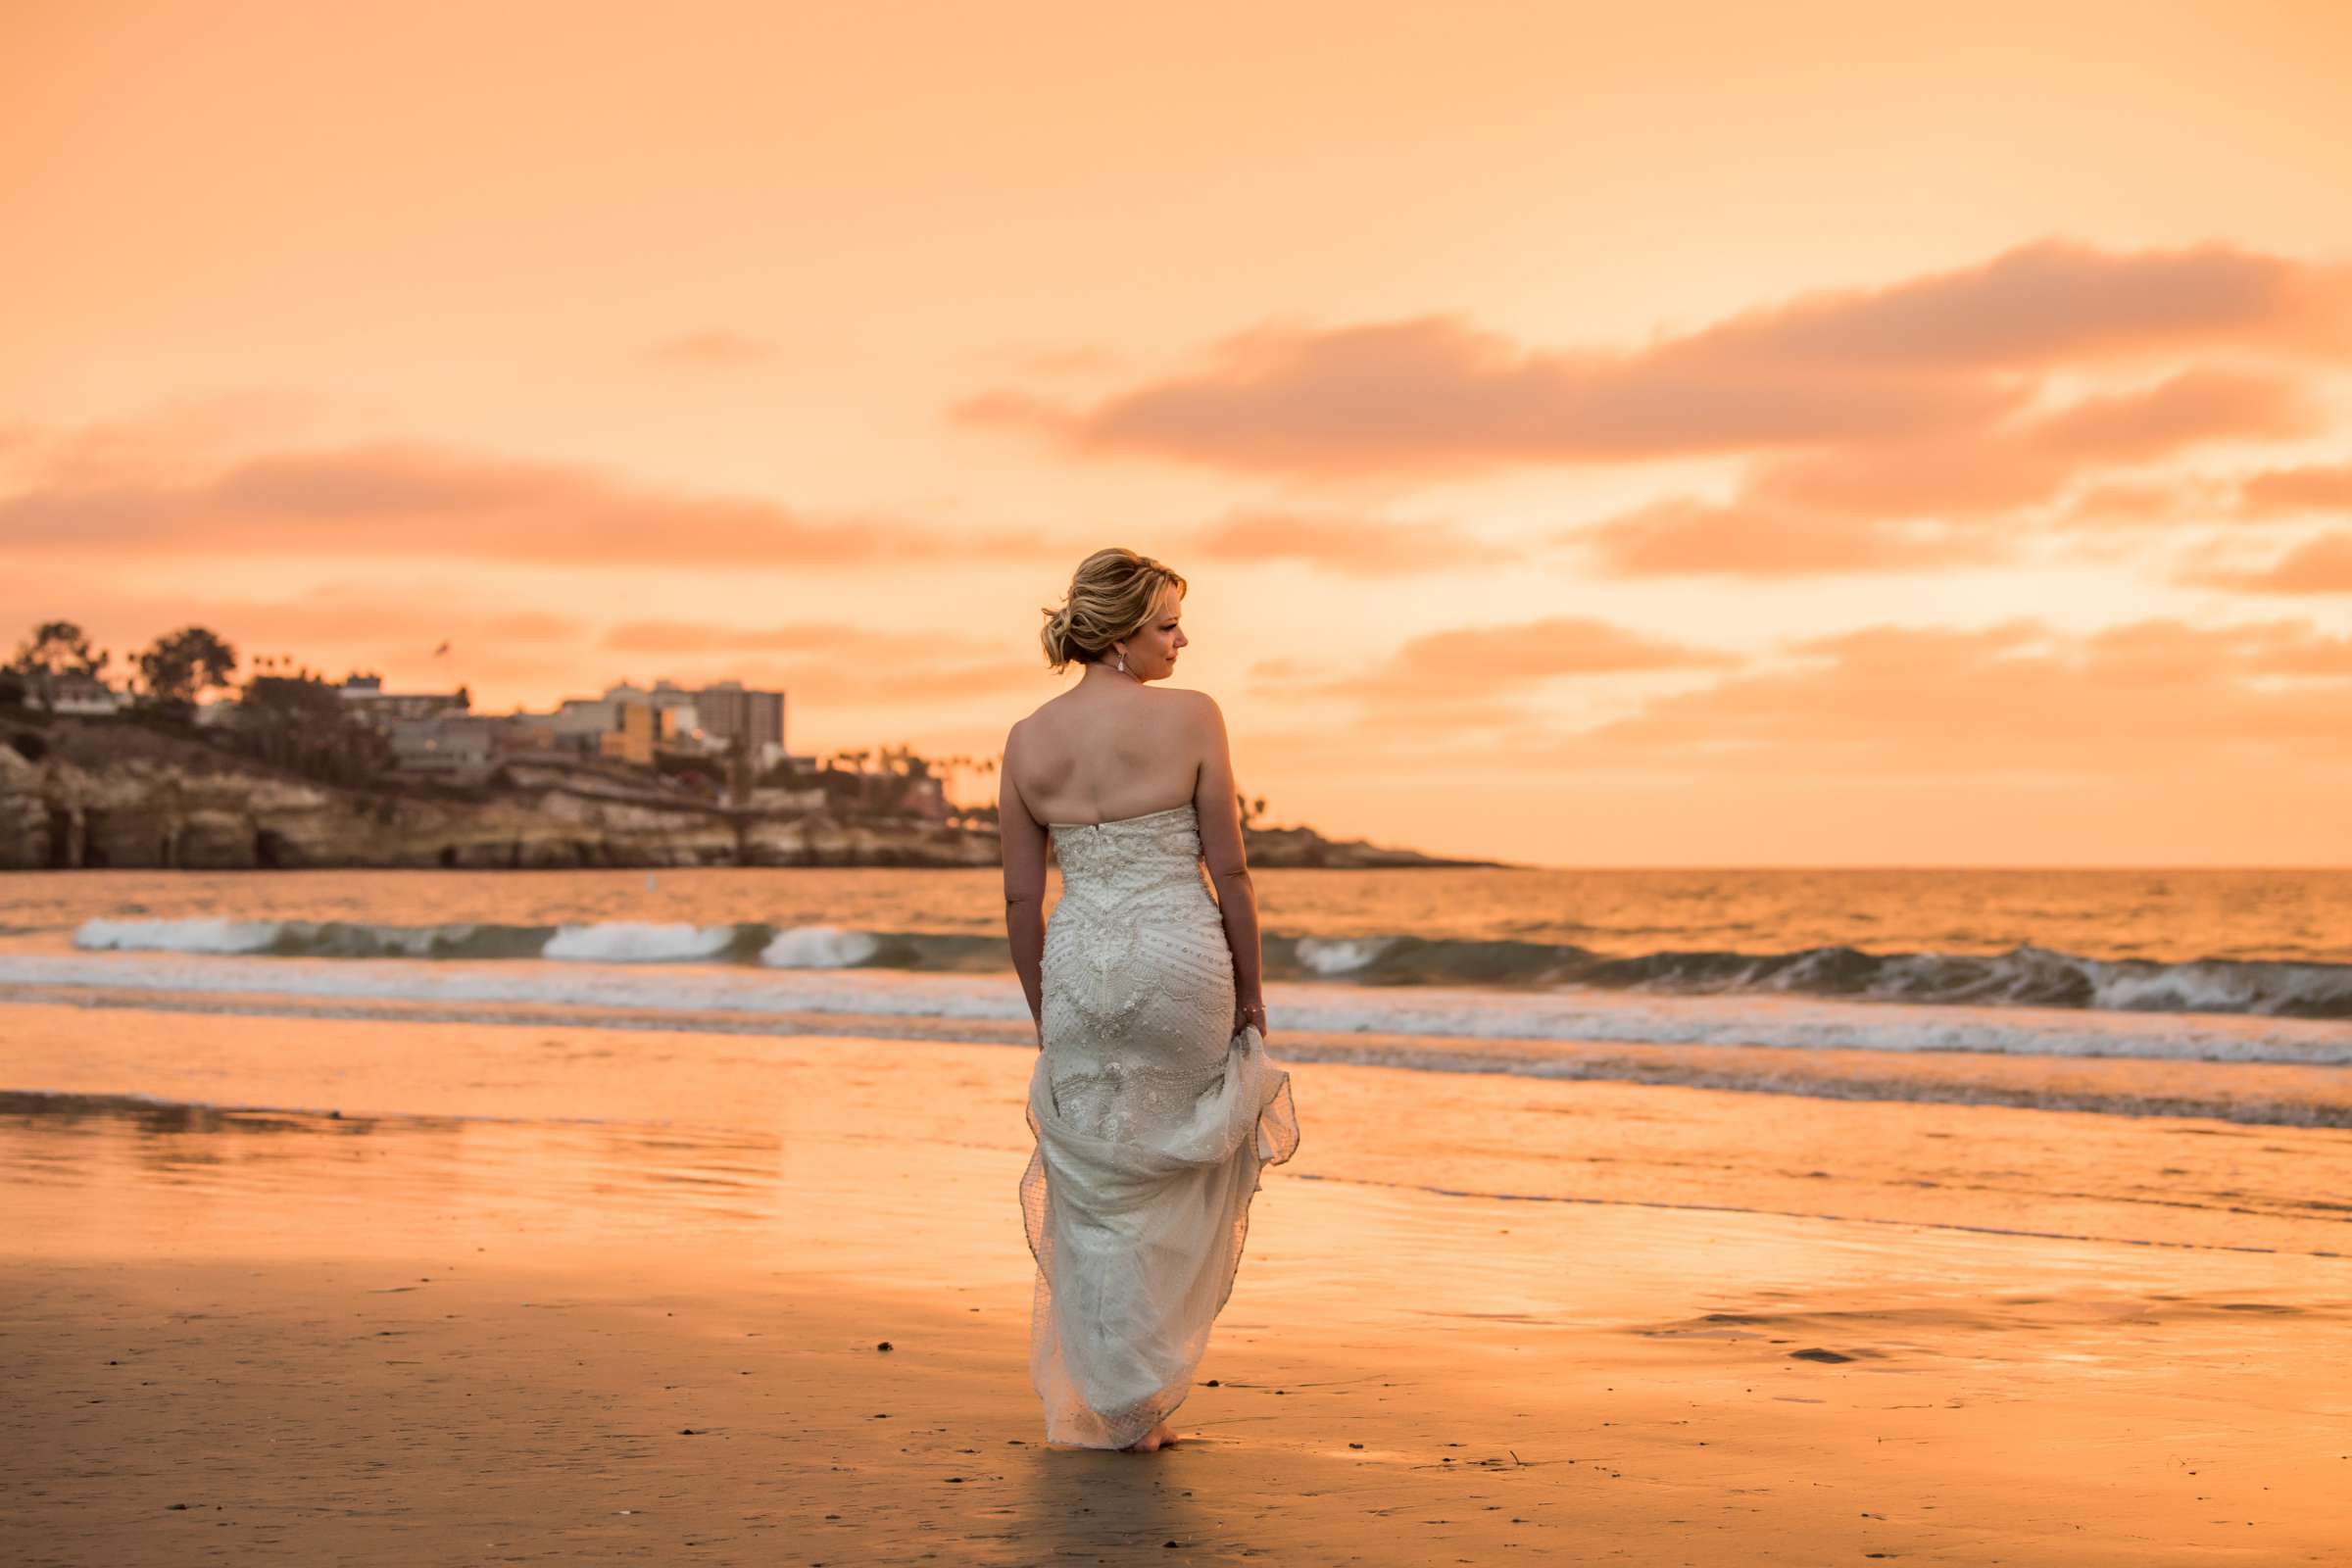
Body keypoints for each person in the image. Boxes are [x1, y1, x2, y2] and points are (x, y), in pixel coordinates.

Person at [1000, 547, 1301, 1453]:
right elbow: (1232, 872)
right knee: (1178, 1164)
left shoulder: (1026, 738)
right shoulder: (1194, 717)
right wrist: (1254, 996)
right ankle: (1142, 1396)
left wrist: (1043, 1007)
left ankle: (1114, 1399)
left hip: (1080, 966)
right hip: (1179, 961)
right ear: (1122, 633)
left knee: (1097, 1180)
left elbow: (1022, 899)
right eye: (1168, 624)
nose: (1181, 639)